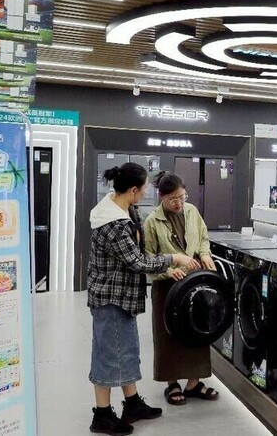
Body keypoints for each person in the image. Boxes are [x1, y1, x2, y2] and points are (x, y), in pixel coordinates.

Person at [88, 163, 200, 436]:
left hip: (123, 297)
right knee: (108, 356)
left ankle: (132, 404)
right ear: (133, 190)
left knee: (126, 352)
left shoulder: (126, 209)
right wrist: (174, 258)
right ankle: (102, 415)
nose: (148, 190)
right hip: (111, 298)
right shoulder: (112, 224)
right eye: (145, 186)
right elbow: (137, 261)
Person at [143, 171, 220, 406]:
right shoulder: (152, 221)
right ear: (161, 197)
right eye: (173, 199)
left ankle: (194, 382)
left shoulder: (192, 211)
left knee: (197, 330)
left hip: (194, 283)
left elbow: (203, 237)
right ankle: (172, 382)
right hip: (167, 286)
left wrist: (205, 254)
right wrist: (168, 270)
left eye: (182, 197)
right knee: (168, 334)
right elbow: (147, 257)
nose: (179, 203)